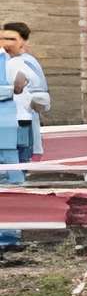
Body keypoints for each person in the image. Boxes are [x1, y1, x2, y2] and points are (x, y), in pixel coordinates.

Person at [0, 23, 43, 257]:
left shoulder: (29, 63)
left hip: (23, 125)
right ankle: (7, 236)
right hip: (5, 125)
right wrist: (12, 90)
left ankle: (10, 234)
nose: (6, 42)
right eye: (3, 38)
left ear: (23, 41)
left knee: (18, 179)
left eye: (11, 38)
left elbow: (42, 97)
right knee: (10, 178)